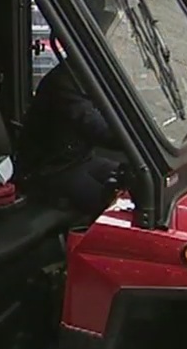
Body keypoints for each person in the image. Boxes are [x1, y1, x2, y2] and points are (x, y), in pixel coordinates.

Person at [15, 39, 126, 216]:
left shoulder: (87, 76)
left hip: (82, 159)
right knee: (110, 208)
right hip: (52, 169)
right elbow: (95, 127)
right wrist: (135, 139)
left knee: (130, 182)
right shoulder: (64, 84)